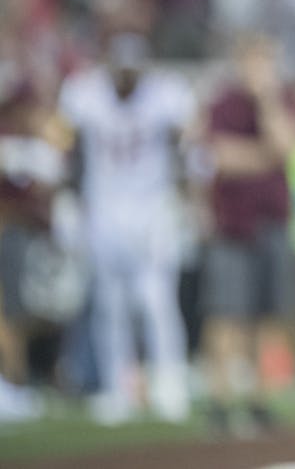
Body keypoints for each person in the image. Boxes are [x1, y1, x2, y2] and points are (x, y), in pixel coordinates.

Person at [57, 33, 196, 425]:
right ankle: (119, 390)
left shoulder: (165, 94)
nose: (126, 82)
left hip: (152, 208)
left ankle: (169, 384)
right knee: (110, 306)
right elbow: (72, 149)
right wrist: (67, 201)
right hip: (104, 210)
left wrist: (183, 198)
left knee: (156, 301)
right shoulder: (85, 93)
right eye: (121, 73)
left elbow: (181, 146)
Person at [200, 34, 295, 437]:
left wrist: (268, 103)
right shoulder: (222, 103)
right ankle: (220, 403)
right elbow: (221, 159)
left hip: (273, 221)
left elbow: (289, 147)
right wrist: (266, 155)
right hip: (231, 225)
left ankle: (259, 401)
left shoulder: (283, 99)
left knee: (270, 316)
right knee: (226, 314)